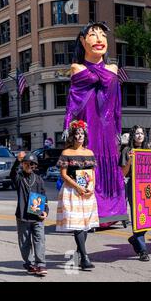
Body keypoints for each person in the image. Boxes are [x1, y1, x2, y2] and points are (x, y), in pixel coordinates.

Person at [62, 21, 126, 225]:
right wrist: (69, 126)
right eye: (92, 35)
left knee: (109, 167)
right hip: (88, 127)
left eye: (103, 36)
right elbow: (73, 101)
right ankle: (87, 212)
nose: (99, 39)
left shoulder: (113, 67)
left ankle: (112, 213)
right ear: (82, 41)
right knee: (88, 169)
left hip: (107, 127)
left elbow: (116, 103)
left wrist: (117, 127)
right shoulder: (76, 67)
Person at [56, 120, 99, 271]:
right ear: (72, 136)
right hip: (72, 191)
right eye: (77, 134)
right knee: (78, 224)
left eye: (82, 134)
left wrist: (91, 186)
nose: (79, 136)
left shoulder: (89, 153)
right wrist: (78, 187)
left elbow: (92, 173)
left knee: (85, 224)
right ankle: (85, 258)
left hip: (87, 191)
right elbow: (63, 174)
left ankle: (79, 253)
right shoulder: (66, 153)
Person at [120, 125, 151, 261]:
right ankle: (143, 250)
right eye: (137, 133)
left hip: (148, 185)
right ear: (132, 136)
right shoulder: (126, 150)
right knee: (138, 217)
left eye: (142, 133)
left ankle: (134, 238)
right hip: (133, 185)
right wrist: (130, 159)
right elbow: (123, 173)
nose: (140, 135)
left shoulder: (147, 149)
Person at [10, 152, 49, 276]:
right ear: (22, 164)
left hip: (37, 216)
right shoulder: (19, 178)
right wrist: (17, 160)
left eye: (31, 164)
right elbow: (13, 173)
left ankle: (41, 264)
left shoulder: (39, 180)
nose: (28, 165)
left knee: (39, 240)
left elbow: (44, 198)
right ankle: (30, 263)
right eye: (26, 163)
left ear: (35, 166)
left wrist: (45, 211)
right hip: (22, 216)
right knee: (25, 242)